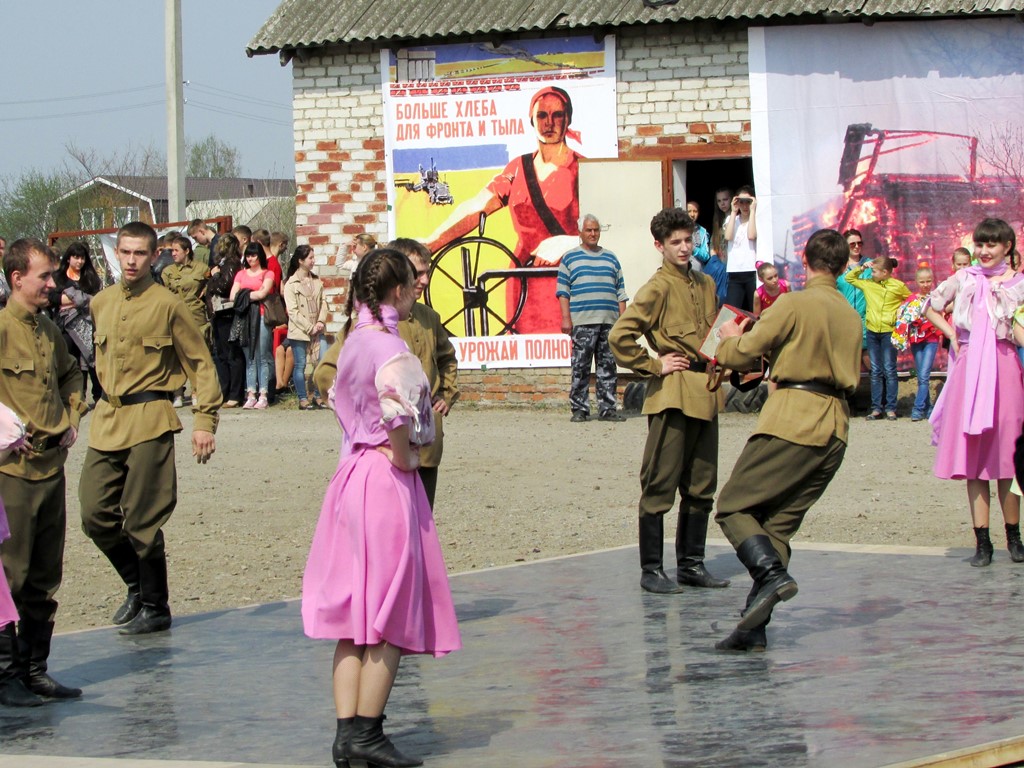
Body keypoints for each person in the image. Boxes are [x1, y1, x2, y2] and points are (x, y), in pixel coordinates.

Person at [301, 248, 460, 768]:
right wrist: (404, 456)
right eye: (413, 283)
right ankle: (368, 733)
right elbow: (398, 414)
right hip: (386, 478)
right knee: (390, 610)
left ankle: (347, 734)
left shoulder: (352, 342)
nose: (418, 289)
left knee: (355, 612)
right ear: (396, 291)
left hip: (350, 477)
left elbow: (337, 399)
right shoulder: (392, 347)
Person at [713, 228, 862, 652]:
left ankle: (772, 577)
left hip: (793, 420)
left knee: (733, 506)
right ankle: (752, 628)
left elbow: (746, 350)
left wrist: (728, 341)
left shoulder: (793, 303)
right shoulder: (851, 315)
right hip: (835, 428)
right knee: (776, 526)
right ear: (844, 264)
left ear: (804, 258)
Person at [79, 221, 222, 635]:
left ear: (154, 254)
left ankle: (156, 606)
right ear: (116, 253)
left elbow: (199, 364)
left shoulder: (168, 304)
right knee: (94, 513)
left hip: (150, 418)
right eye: (125, 252)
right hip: (107, 419)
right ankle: (135, 586)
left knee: (142, 518)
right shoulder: (101, 303)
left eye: (140, 253)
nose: (131, 260)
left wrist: (204, 421)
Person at [609, 208, 729, 593]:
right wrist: (653, 364)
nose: (683, 247)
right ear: (659, 246)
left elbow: (714, 334)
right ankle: (651, 570)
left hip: (705, 389)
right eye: (674, 242)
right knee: (660, 483)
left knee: (702, 484)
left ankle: (692, 565)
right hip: (673, 393)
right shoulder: (657, 287)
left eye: (687, 239)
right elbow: (620, 336)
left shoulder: (706, 283)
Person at [0, 238, 87, 703]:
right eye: (44, 277)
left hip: (51, 469)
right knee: (8, 577)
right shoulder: (2, 328)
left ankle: (34, 668)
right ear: (17, 279)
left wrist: (72, 418)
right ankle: (5, 676)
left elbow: (74, 373)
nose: (52, 284)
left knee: (44, 576)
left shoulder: (47, 330)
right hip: (12, 472)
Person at [315, 238, 460, 508]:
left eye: (428, 272)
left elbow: (447, 358)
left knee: (422, 524)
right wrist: (363, 424)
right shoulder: (369, 326)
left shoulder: (430, 317)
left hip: (425, 448)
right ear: (398, 279)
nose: (425, 280)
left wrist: (446, 395)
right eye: (417, 273)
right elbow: (326, 374)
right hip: (386, 453)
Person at [426, 85, 582, 334]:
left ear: (568, 118)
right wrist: (430, 244)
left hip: (569, 280)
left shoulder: (582, 169)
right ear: (531, 120)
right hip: (523, 279)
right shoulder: (518, 168)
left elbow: (611, 228)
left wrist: (570, 242)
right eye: (542, 115)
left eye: (557, 115)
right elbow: (478, 206)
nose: (549, 123)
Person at [924, 218, 1024, 568]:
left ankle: (1014, 535)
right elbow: (930, 305)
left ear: (1007, 247)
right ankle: (982, 541)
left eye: (991, 245)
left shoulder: (1019, 284)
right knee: (975, 462)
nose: (983, 251)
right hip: (969, 367)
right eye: (980, 244)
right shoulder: (964, 278)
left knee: (1008, 456)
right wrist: (952, 334)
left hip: (1006, 365)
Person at [556, 214, 628, 423]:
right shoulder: (570, 258)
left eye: (596, 230)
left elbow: (620, 291)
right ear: (580, 233)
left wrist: (623, 321)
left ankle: (608, 409)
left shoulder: (611, 258)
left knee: (607, 367)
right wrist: (566, 318)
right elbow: (563, 291)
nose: (593, 234)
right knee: (581, 367)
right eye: (589, 230)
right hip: (582, 321)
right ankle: (579, 409)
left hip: (609, 322)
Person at [844, 256, 910, 420]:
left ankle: (891, 408)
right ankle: (876, 408)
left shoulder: (898, 286)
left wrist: (900, 317)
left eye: (874, 271)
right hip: (872, 332)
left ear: (885, 272)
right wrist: (862, 268)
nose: (871, 273)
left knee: (889, 369)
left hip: (889, 332)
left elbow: (910, 300)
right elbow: (849, 277)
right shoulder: (868, 285)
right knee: (876, 371)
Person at [50, 241, 103, 404]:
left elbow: (95, 298)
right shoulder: (58, 277)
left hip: (88, 324)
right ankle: (76, 395)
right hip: (65, 326)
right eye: (76, 257)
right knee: (70, 360)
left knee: (91, 359)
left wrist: (73, 300)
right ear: (68, 258)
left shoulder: (90, 277)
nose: (79, 261)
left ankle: (98, 395)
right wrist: (78, 300)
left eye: (82, 258)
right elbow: (52, 298)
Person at [891, 267, 942, 422]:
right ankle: (928, 408)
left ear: (932, 280)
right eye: (922, 281)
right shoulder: (911, 300)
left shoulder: (936, 298)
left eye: (928, 281)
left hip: (931, 339)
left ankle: (917, 409)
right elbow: (903, 318)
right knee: (921, 376)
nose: (925, 284)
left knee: (924, 375)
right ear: (916, 282)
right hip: (915, 340)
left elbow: (943, 311)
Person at [230, 244, 276, 410]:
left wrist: (243, 294)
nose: (250, 259)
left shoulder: (267, 273)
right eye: (248, 255)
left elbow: (263, 293)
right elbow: (232, 295)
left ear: (260, 256)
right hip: (245, 318)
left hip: (262, 316)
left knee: (262, 355)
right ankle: (251, 393)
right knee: (249, 356)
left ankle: (263, 394)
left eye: (254, 255)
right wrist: (250, 295)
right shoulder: (241, 274)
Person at [283, 245, 327, 410]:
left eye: (313, 257)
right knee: (300, 364)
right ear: (300, 261)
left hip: (318, 328)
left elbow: (324, 303)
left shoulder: (317, 280)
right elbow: (292, 312)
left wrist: (321, 321)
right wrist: (309, 327)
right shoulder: (291, 284)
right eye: (310, 258)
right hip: (300, 331)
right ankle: (302, 398)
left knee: (321, 362)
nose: (313, 261)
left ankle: (318, 396)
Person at [206, 234, 246, 408]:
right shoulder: (223, 263)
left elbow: (224, 286)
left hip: (227, 313)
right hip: (218, 314)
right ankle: (225, 391)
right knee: (221, 354)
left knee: (231, 354)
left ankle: (234, 394)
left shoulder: (232, 263)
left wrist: (214, 277)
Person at [723, 185, 758, 312]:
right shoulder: (731, 219)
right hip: (734, 272)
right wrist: (733, 211)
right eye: (741, 202)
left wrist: (753, 211)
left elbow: (751, 235)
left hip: (752, 271)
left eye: (748, 202)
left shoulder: (756, 219)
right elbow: (728, 236)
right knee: (732, 311)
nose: (744, 206)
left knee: (754, 310)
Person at [687, 201, 727, 305]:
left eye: (695, 211)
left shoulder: (702, 231)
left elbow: (705, 256)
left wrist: (693, 248)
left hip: (698, 273)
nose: (692, 214)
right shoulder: (678, 230)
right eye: (689, 211)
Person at [709, 188, 732, 262]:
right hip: (721, 266)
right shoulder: (718, 221)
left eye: (725, 199)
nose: (722, 203)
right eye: (719, 201)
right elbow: (712, 246)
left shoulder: (738, 219)